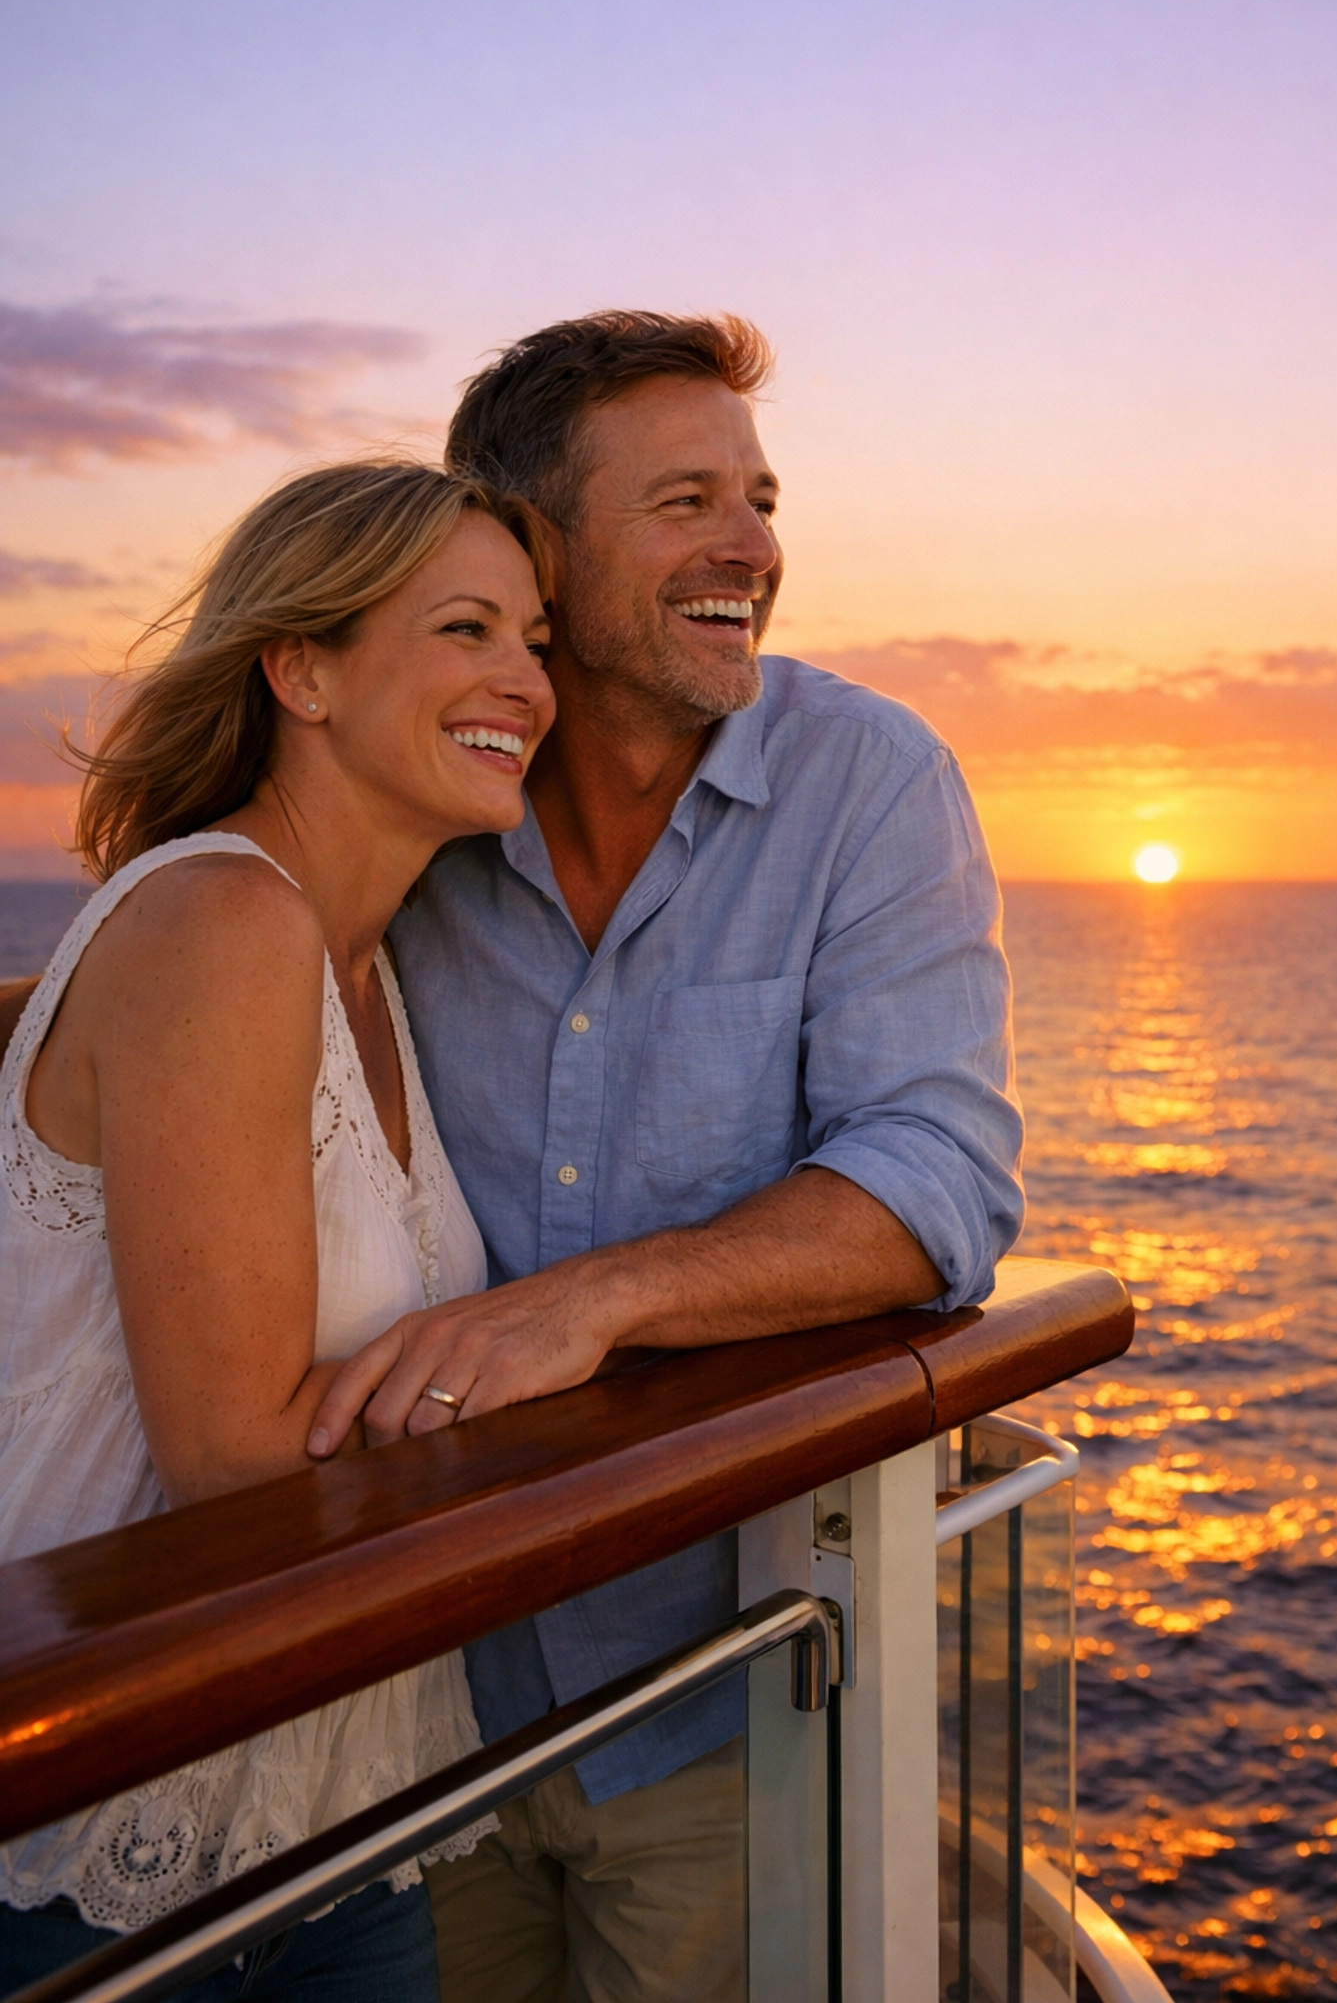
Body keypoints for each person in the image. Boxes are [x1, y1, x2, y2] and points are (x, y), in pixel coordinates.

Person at [306, 313, 1026, 2003]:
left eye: (762, 500)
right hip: (419, 1701)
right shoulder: (426, 794)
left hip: (732, 1683)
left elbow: (940, 1176)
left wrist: (599, 1304)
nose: (754, 550)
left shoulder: (872, 782)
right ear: (531, 547)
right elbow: (237, 937)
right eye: (687, 501)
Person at [0, 462, 557, 2001]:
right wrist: (558, 1393)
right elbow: (239, 1470)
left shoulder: (371, 968)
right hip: (117, 1823)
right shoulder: (222, 926)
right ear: (300, 670)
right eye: (465, 628)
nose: (524, 678)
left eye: (537, 640)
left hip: (329, 1804)